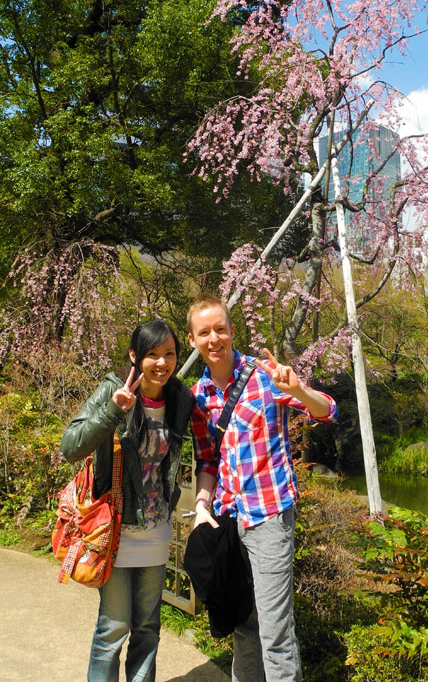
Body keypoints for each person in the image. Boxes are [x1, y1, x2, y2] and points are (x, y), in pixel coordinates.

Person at [187, 292, 337, 682]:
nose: (214, 339)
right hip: (227, 519)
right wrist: (202, 504)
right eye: (205, 332)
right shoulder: (198, 397)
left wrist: (299, 390)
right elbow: (207, 460)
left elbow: (327, 411)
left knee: (275, 634)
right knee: (243, 627)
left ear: (232, 331)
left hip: (269, 516)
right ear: (193, 340)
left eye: (220, 329)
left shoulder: (266, 375)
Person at [61, 319, 195, 682]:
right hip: (116, 530)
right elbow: (70, 446)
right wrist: (113, 410)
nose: (162, 363)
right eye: (152, 354)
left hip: (156, 531)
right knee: (113, 628)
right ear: (135, 356)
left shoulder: (180, 397)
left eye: (170, 354)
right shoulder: (113, 388)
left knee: (149, 628)